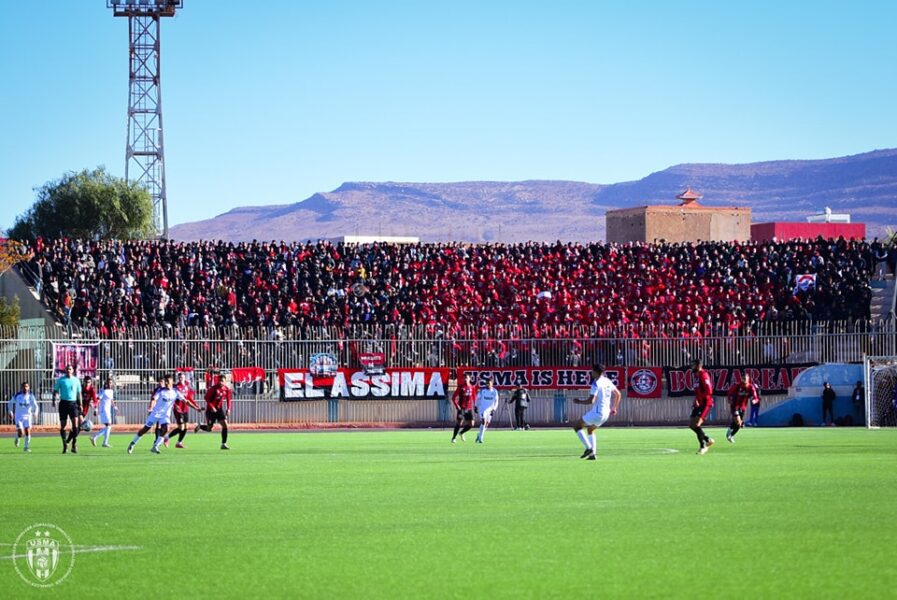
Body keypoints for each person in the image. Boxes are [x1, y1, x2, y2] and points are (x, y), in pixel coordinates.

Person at [128, 374, 200, 454]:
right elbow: (154, 399)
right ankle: (133, 443)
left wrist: (196, 408)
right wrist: (151, 408)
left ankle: (155, 446)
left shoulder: (175, 391)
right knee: (145, 429)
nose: (166, 383)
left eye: (167, 381)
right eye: (165, 381)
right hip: (155, 414)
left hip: (165, 415)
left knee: (166, 429)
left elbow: (186, 401)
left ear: (172, 381)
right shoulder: (161, 390)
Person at [571, 364, 621, 460]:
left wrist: (579, 401)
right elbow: (618, 394)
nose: (591, 372)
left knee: (577, 426)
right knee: (590, 430)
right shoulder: (607, 381)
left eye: (592, 371)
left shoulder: (596, 383)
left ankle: (589, 448)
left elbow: (591, 401)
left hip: (597, 413)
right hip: (606, 414)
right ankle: (592, 455)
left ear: (595, 372)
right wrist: (614, 408)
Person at [195, 374, 233, 450]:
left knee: (225, 425)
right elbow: (206, 398)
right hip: (210, 410)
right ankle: (200, 426)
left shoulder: (226, 389)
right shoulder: (213, 389)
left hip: (219, 410)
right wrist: (212, 407)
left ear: (225, 381)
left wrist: (228, 409)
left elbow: (229, 399)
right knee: (209, 429)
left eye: (222, 381)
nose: (220, 382)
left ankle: (223, 444)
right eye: (219, 381)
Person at [53, 365, 83, 454]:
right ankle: (65, 444)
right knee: (63, 425)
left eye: (70, 369)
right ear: (65, 370)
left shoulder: (76, 380)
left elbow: (79, 393)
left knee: (75, 423)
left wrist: (80, 404)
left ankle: (74, 444)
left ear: (72, 370)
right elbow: (55, 391)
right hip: (63, 403)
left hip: (73, 404)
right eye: (67, 369)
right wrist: (54, 399)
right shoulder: (61, 380)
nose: (68, 370)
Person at [689, 359, 715, 454]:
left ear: (698, 366)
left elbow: (709, 391)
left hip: (705, 403)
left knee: (697, 424)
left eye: (693, 365)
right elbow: (697, 390)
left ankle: (703, 446)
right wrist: (695, 400)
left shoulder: (703, 375)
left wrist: (700, 398)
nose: (691, 367)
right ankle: (708, 439)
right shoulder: (696, 376)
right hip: (699, 403)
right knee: (692, 424)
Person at [164, 371, 195, 449]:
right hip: (178, 409)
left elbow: (189, 398)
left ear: (185, 378)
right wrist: (175, 405)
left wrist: (196, 406)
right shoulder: (176, 387)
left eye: (182, 377)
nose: (181, 378)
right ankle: (167, 437)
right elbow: (172, 398)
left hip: (185, 408)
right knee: (181, 427)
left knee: (186, 427)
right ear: (178, 378)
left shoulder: (187, 386)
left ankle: (179, 442)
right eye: (180, 377)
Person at [726, 373, 758, 443]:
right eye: (743, 379)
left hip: (743, 407)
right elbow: (729, 392)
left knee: (738, 424)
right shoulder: (737, 386)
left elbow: (756, 397)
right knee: (738, 421)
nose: (744, 380)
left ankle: (730, 434)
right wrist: (729, 399)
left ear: (748, 379)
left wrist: (754, 401)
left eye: (745, 379)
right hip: (735, 406)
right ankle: (729, 435)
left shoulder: (751, 387)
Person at [8, 382, 39, 452]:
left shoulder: (31, 396)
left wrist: (36, 413)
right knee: (21, 432)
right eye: (24, 387)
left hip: (28, 416)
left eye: (26, 386)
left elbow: (36, 406)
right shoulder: (17, 395)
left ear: (29, 387)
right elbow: (10, 403)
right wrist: (10, 412)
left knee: (27, 431)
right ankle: (17, 437)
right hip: (19, 416)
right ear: (21, 388)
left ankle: (26, 447)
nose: (25, 388)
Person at [450, 372, 477, 443]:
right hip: (462, 408)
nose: (465, 379)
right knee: (459, 423)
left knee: (471, 424)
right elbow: (453, 398)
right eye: (464, 378)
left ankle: (461, 433)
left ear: (470, 379)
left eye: (467, 378)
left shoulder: (472, 387)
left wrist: (475, 406)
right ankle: (453, 438)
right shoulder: (461, 387)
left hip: (469, 408)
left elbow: (474, 397)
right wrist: (457, 406)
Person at [90, 377, 116, 448]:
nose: (110, 384)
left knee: (108, 427)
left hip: (108, 410)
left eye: (111, 383)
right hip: (103, 410)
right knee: (109, 426)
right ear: (106, 383)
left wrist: (114, 406)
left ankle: (104, 442)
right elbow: (97, 400)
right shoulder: (103, 391)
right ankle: (96, 438)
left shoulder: (111, 391)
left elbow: (111, 400)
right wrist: (96, 409)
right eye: (108, 383)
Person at [474, 376, 500, 444]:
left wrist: (494, 409)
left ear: (492, 384)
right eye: (486, 383)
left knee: (487, 424)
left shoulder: (494, 391)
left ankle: (479, 434)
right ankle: (481, 438)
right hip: (483, 409)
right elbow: (477, 398)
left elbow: (496, 401)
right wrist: (475, 406)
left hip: (490, 410)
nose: (487, 384)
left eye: (489, 383)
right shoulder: (482, 391)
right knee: (484, 422)